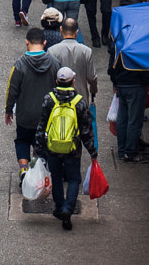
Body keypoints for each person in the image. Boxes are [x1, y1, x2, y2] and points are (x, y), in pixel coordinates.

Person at [39, 67, 94, 230]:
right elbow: (86, 129)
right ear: (73, 82)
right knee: (73, 179)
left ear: (56, 82)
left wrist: (37, 149)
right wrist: (92, 151)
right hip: (73, 148)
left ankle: (58, 207)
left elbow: (42, 125)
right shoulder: (79, 102)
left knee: (56, 177)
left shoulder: (49, 99)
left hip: (52, 147)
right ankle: (67, 209)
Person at [5, 28, 61, 170]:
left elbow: (12, 90)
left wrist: (9, 109)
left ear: (26, 42)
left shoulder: (19, 64)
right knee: (43, 143)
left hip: (25, 114)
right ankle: (40, 168)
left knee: (22, 141)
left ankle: (24, 169)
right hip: (47, 116)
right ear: (44, 43)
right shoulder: (54, 63)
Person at [109, 35, 149, 162]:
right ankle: (130, 151)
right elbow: (142, 67)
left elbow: (110, 67)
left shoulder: (116, 44)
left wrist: (115, 83)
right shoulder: (137, 42)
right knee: (134, 120)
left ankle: (122, 150)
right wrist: (148, 84)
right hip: (135, 86)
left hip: (121, 85)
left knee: (122, 119)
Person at [50, 17, 97, 108]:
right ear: (76, 32)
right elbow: (92, 77)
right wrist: (93, 90)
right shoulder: (86, 51)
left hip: (59, 101)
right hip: (80, 99)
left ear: (61, 30)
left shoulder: (52, 51)